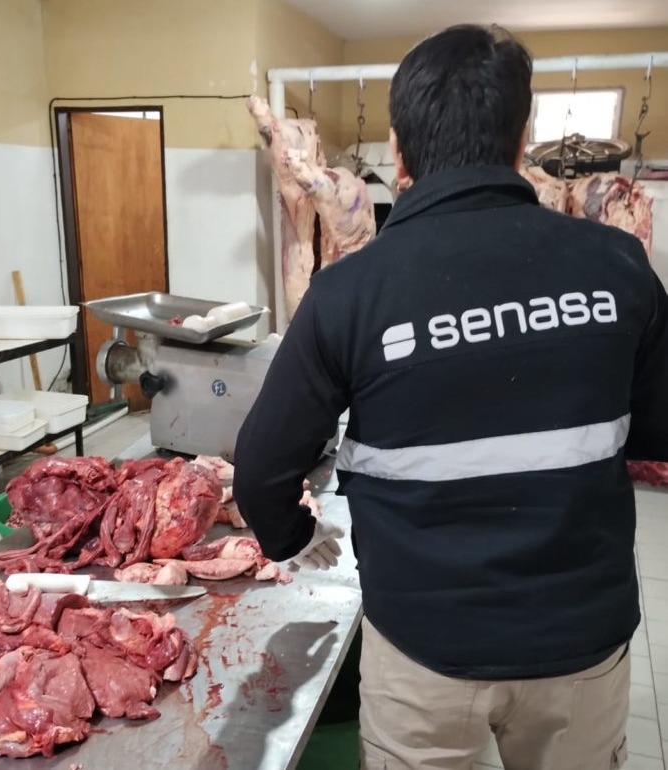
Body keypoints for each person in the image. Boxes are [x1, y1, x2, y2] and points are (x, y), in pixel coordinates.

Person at [233, 23, 668, 770]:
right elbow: (658, 432)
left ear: (398, 152)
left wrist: (296, 543)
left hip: (424, 646)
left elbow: (262, 473)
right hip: (580, 636)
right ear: (522, 137)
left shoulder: (349, 292)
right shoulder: (617, 264)